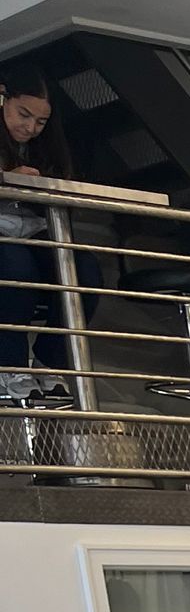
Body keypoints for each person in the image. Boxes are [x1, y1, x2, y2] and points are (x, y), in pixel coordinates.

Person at [0, 68, 81, 406]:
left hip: (31, 234)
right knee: (18, 269)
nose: (31, 128)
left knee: (83, 271)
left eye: (41, 122)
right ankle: (9, 365)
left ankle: (50, 363)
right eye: (24, 114)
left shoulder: (45, 149)